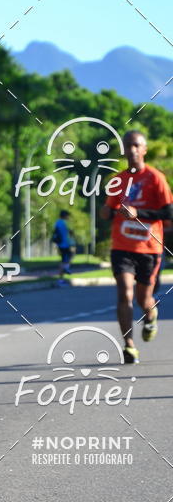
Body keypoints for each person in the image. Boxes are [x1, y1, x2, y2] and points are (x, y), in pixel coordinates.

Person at [99, 130, 173, 363]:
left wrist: (138, 213)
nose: (131, 150)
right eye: (127, 146)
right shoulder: (117, 180)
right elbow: (109, 210)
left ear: (144, 149)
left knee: (144, 299)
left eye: (135, 145)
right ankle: (129, 346)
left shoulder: (155, 178)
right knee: (125, 293)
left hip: (149, 248)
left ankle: (150, 316)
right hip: (122, 246)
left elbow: (168, 212)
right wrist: (106, 211)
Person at [52, 210, 73, 286]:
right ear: (65, 216)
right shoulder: (65, 223)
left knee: (65, 259)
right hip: (65, 244)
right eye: (67, 216)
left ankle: (65, 271)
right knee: (66, 259)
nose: (68, 217)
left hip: (60, 244)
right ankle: (63, 273)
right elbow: (70, 232)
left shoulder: (57, 222)